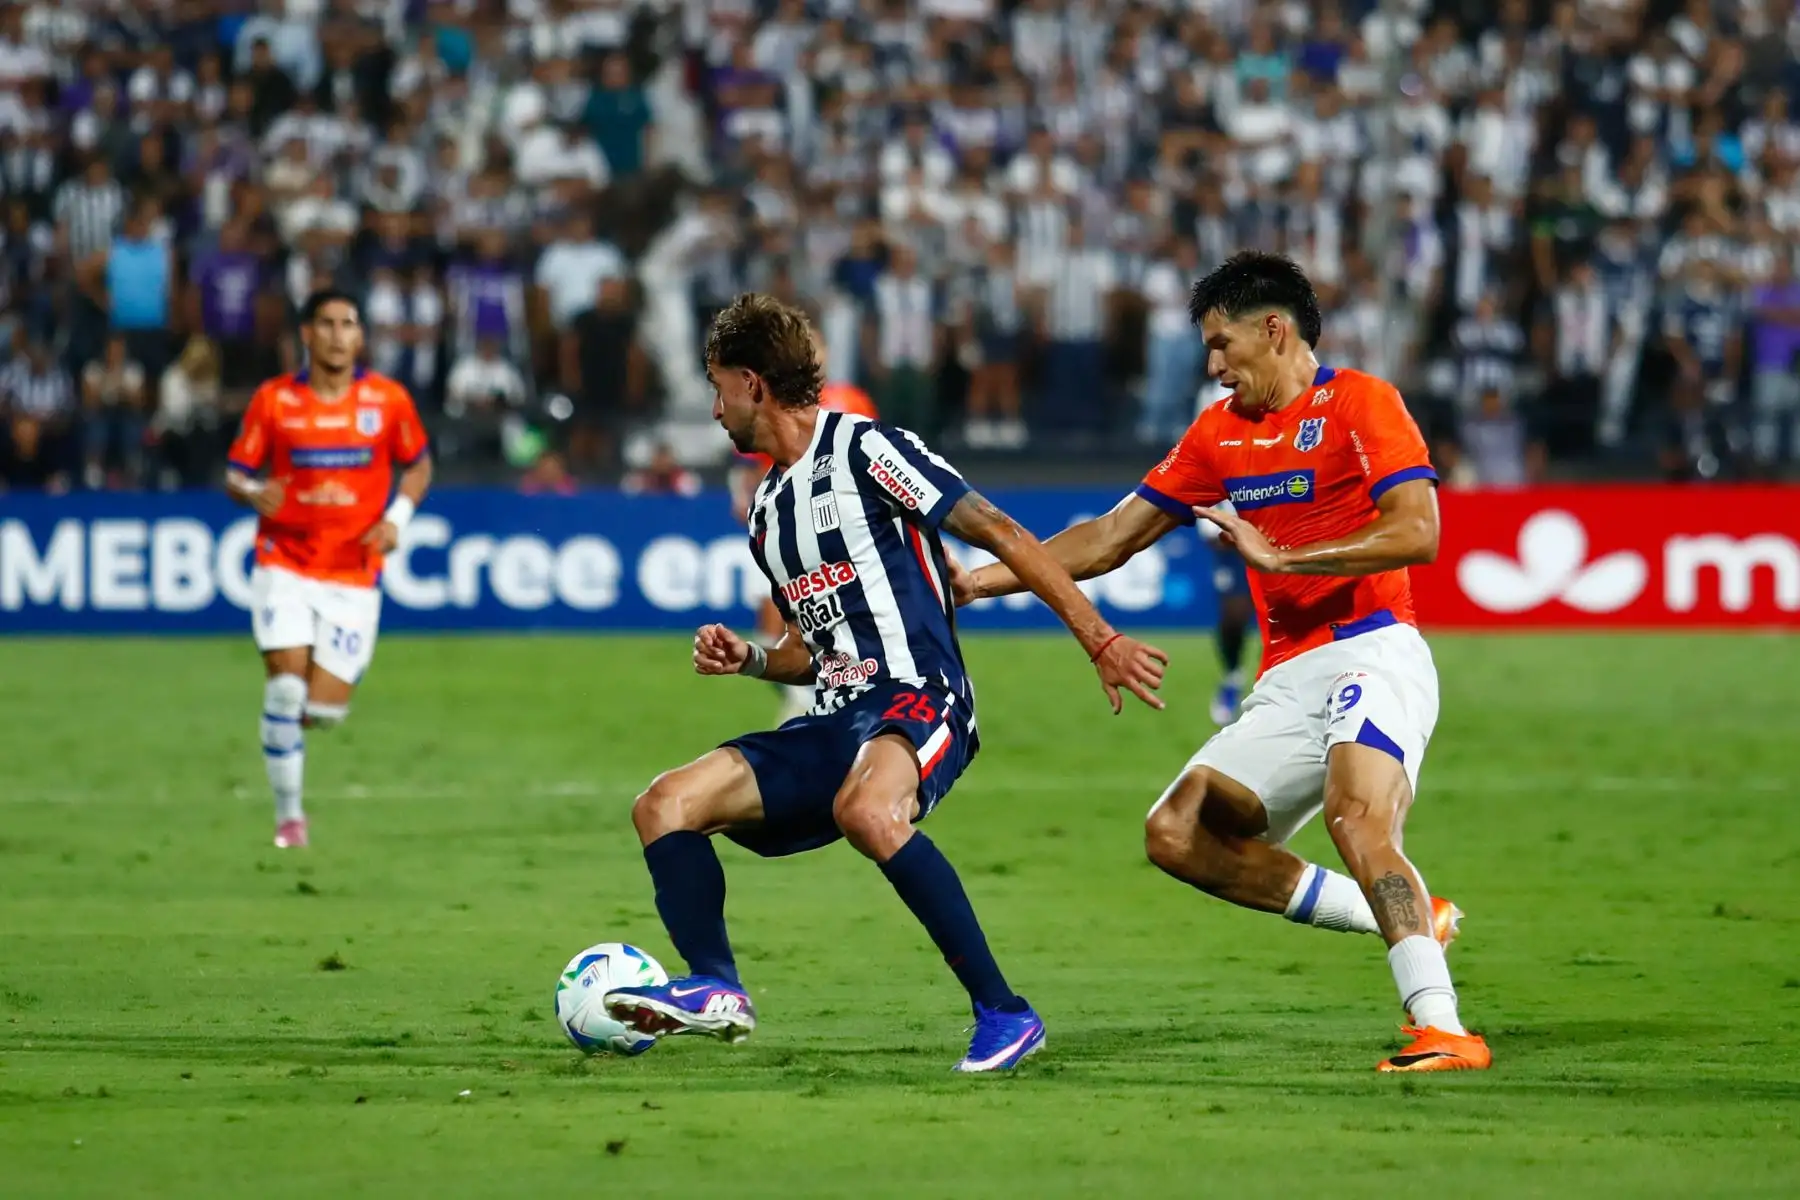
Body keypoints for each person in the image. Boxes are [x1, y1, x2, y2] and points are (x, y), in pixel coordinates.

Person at [952, 252, 1490, 1073]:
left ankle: (1442, 1026)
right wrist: (979, 582)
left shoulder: (1360, 403)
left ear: (1273, 330)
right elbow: (1109, 536)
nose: (1211, 365)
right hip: (1288, 678)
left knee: (1358, 817)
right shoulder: (1219, 432)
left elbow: (1420, 530)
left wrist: (1287, 562)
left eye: (1220, 343)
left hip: (1374, 649)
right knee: (1176, 833)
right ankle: (1410, 912)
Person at [602, 294, 1167, 1072]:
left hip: (921, 695)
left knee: (868, 809)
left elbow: (997, 531)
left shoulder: (867, 449)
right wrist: (757, 659)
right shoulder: (768, 512)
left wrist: (1097, 637)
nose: (713, 408)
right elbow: (811, 643)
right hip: (834, 719)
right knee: (663, 804)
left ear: (754, 384)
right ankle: (716, 984)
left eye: (717, 387)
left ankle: (1005, 1012)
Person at [225, 290, 433, 849]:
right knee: (286, 691)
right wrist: (251, 492)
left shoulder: (387, 400)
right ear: (307, 334)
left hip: (353, 573)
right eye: (328, 323)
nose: (339, 333)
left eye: (349, 323)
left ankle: (290, 729)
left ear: (360, 336)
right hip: (284, 562)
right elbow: (236, 472)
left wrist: (398, 518)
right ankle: (289, 819)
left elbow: (418, 465)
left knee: (322, 712)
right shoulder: (274, 401)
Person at [727, 327, 879, 725]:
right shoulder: (771, 403)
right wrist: (745, 499)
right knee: (771, 634)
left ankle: (827, 702)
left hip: (840, 533)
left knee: (843, 626)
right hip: (784, 530)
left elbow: (871, 456)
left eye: (816, 347)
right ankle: (811, 697)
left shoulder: (853, 400)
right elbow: (749, 465)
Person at [1200, 501, 1255, 725]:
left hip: (1281, 550)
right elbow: (1213, 536)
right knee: (1233, 620)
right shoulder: (1219, 489)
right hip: (1236, 561)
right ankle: (1232, 678)